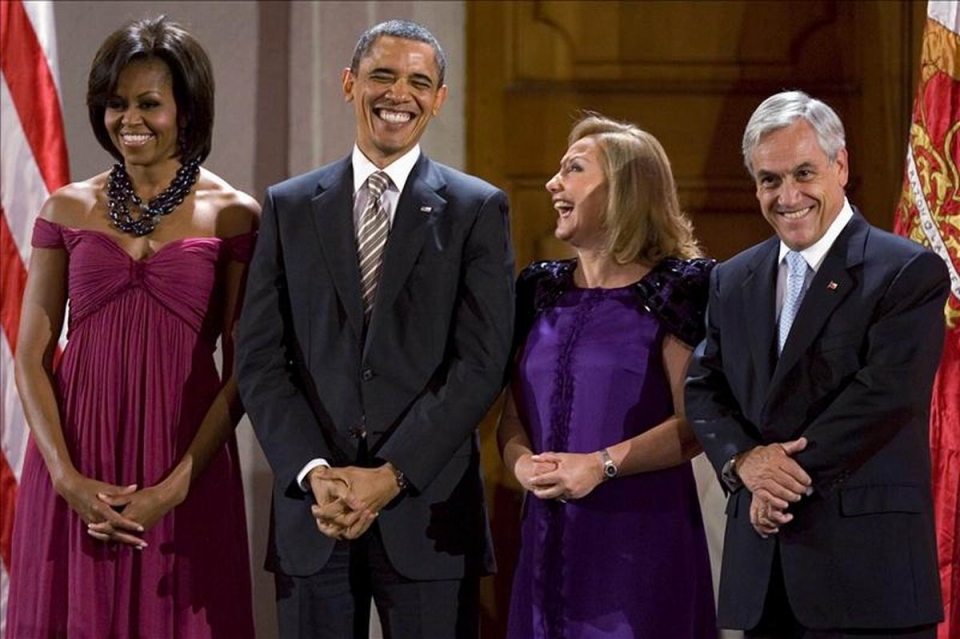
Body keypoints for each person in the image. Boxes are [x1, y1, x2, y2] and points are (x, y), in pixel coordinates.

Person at [235, 19, 514, 639]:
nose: (399, 94)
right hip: (315, 514)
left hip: (427, 515)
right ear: (348, 84)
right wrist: (314, 472)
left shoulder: (476, 210)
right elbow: (258, 358)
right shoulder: (287, 205)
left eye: (419, 82)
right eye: (382, 76)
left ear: (439, 98)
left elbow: (481, 364)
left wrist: (391, 475)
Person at [7, 15, 258, 639]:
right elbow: (30, 355)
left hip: (183, 463)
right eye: (116, 104)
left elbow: (245, 368)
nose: (129, 119)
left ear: (187, 108)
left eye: (150, 103)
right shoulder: (66, 208)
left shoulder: (234, 216)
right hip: (76, 463)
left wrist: (172, 489)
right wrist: (65, 479)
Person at [685, 90, 948, 638]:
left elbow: (885, 396)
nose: (788, 196)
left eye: (804, 173)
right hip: (762, 574)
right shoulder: (732, 279)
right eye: (769, 180)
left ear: (841, 165)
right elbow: (704, 388)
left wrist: (778, 480)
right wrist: (743, 464)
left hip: (866, 575)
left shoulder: (906, 272)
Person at [498, 114, 717, 638]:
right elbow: (510, 416)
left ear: (623, 190)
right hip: (546, 541)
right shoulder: (539, 288)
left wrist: (601, 466)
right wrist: (522, 464)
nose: (553, 184)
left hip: (639, 544)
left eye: (572, 170)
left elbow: (696, 425)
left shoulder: (678, 288)